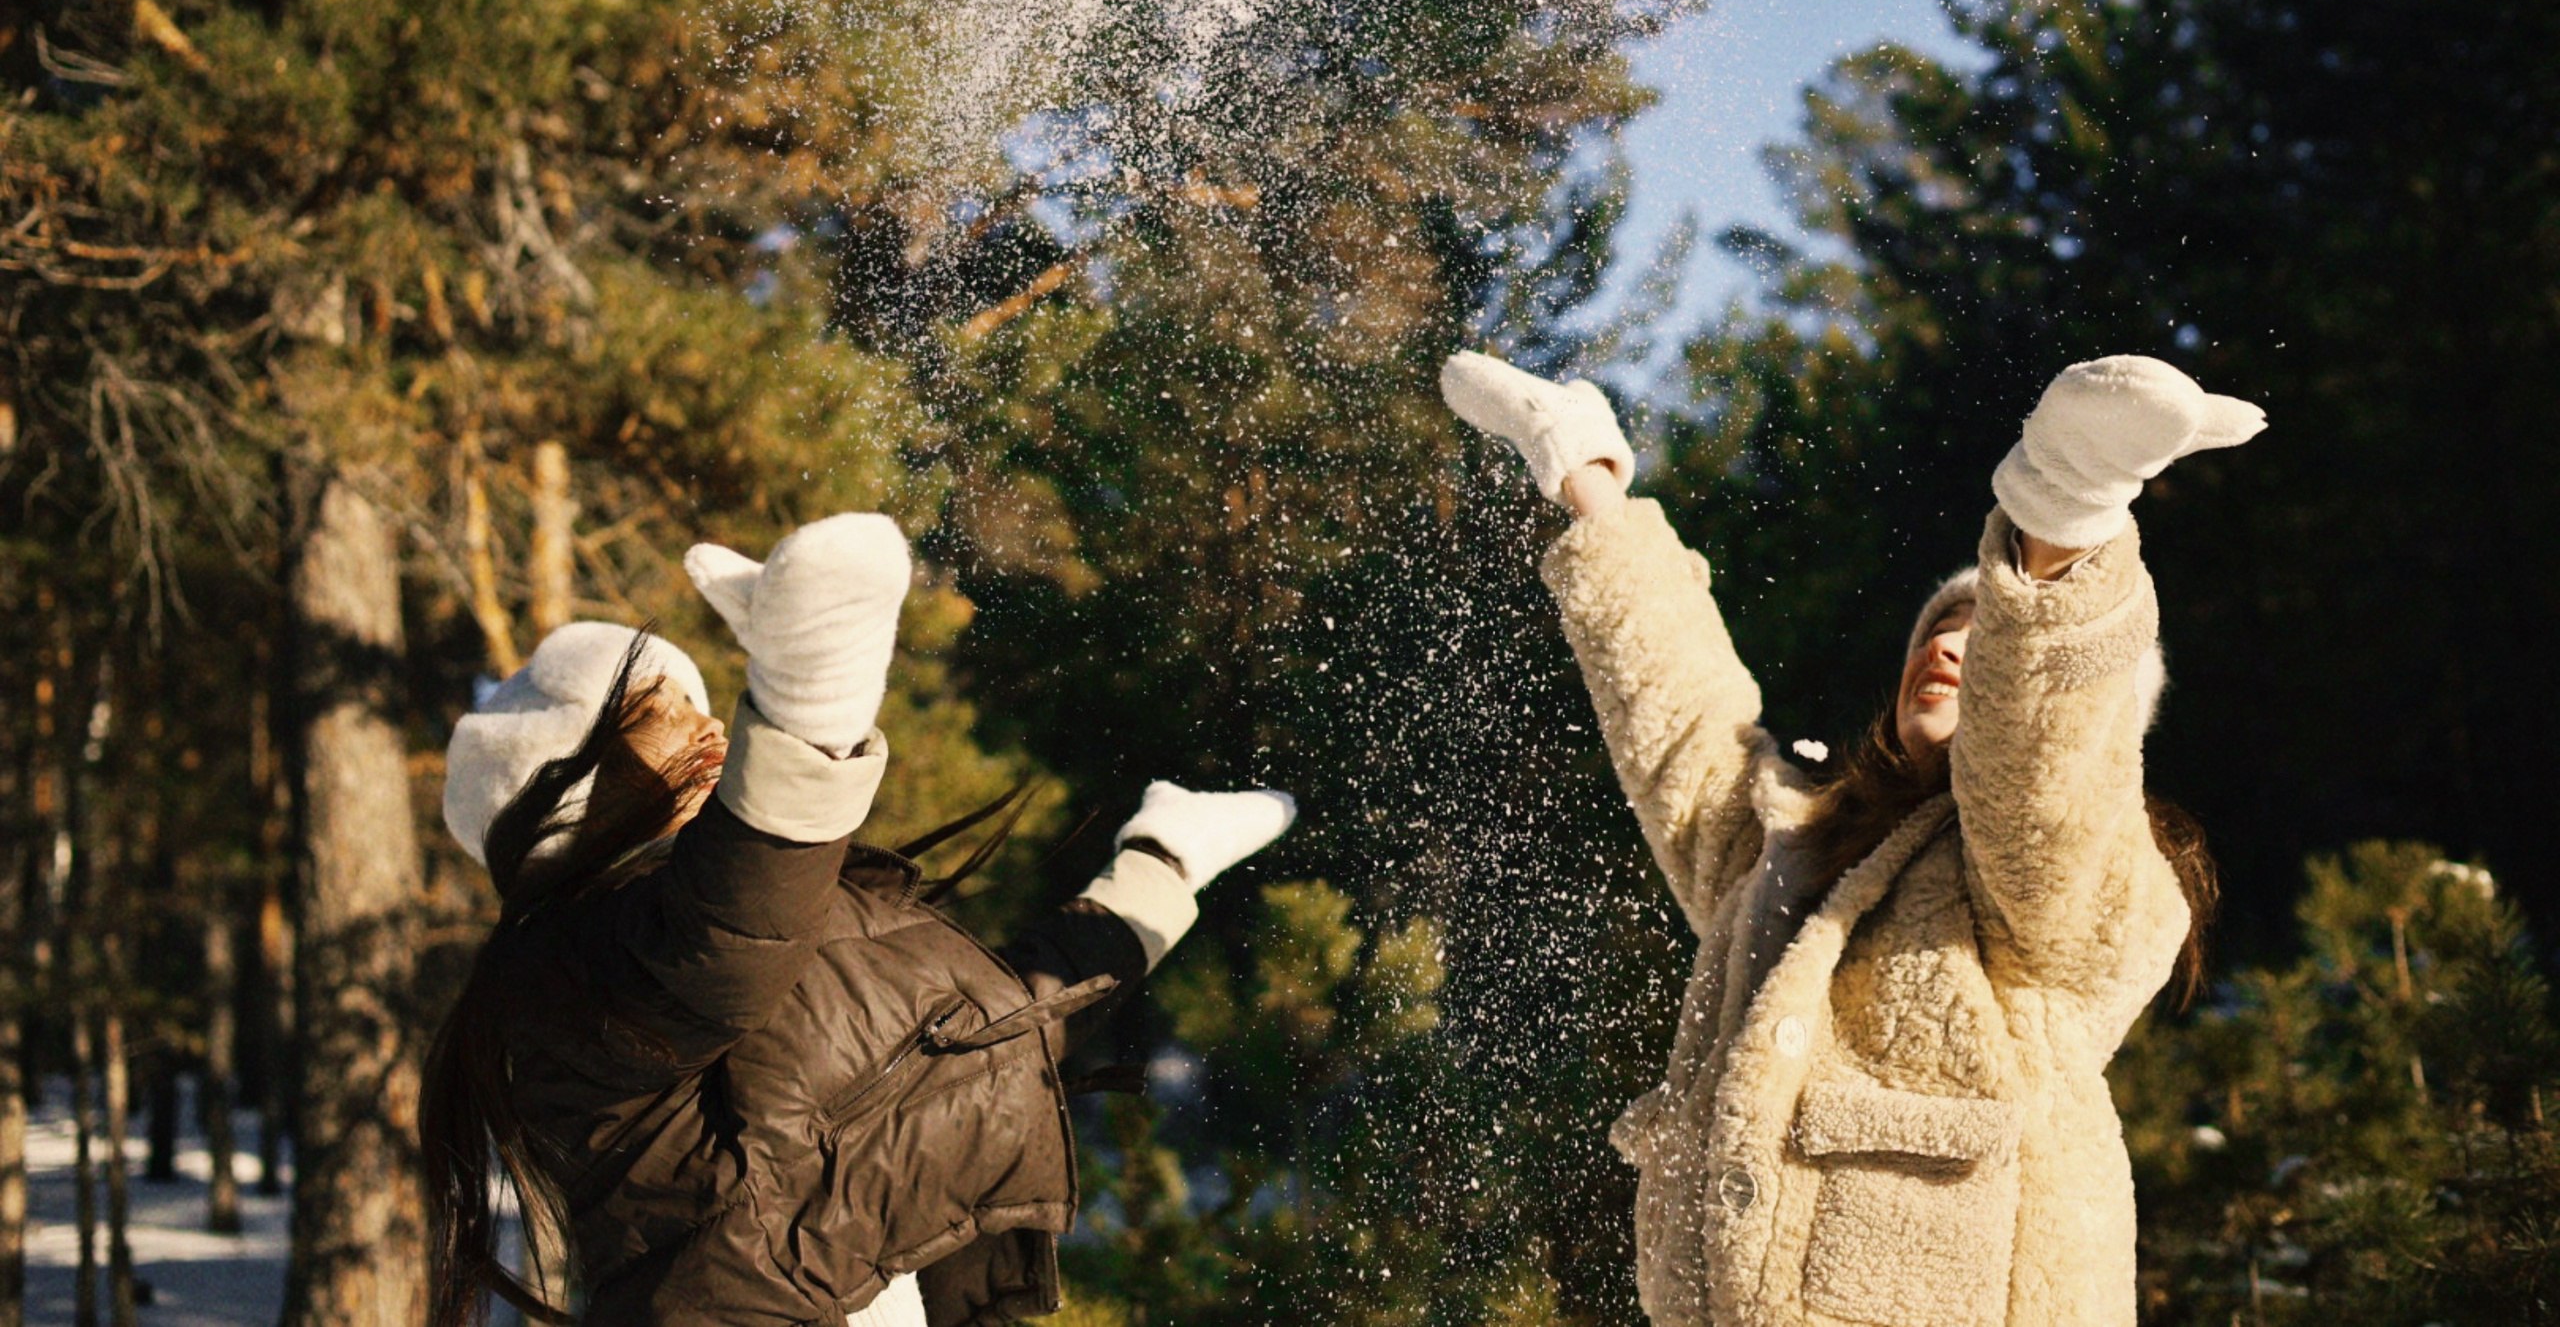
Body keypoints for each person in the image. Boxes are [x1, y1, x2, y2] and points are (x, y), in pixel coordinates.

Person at [1440, 351, 2256, 1327]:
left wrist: (2066, 507)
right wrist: (1586, 475)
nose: (1946, 644)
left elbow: (2044, 766)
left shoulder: (2072, 889)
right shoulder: (1792, 852)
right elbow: (1678, 719)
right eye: (1939, 628)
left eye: (1986, 634)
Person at [421, 512, 1296, 1327]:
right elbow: (730, 928)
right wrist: (808, 699)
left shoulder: (775, 920)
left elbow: (989, 1033)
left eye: (703, 701)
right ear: (577, 793)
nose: (713, 728)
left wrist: (1161, 863)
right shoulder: (584, 961)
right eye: (665, 717)